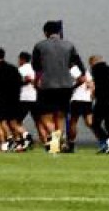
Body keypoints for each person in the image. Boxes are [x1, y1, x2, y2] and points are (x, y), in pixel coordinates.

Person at [31, 20, 84, 152]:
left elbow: (36, 66)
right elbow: (78, 64)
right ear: (59, 31)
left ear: (45, 32)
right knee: (60, 116)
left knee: (45, 116)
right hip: (66, 85)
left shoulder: (39, 46)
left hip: (47, 85)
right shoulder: (69, 45)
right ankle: (56, 145)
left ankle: (55, 142)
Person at [0, 48, 23, 152]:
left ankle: (3, 144)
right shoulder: (13, 68)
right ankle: (18, 143)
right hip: (14, 99)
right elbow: (20, 82)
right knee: (13, 122)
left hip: (1, 99)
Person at [88, 55, 109, 153]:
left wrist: (94, 94)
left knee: (95, 123)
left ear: (93, 62)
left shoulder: (96, 70)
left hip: (103, 100)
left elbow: (98, 85)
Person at [66, 63, 93, 154]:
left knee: (73, 122)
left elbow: (81, 80)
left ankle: (71, 144)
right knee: (89, 122)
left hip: (77, 99)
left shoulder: (73, 69)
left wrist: (71, 89)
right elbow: (91, 85)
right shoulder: (86, 71)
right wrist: (91, 97)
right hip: (86, 99)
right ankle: (105, 139)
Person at [17, 51, 39, 149]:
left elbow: (28, 79)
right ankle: (51, 144)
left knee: (16, 121)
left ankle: (26, 137)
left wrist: (19, 84)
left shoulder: (22, 68)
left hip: (24, 98)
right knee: (39, 122)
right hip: (34, 97)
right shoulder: (33, 68)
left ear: (22, 59)